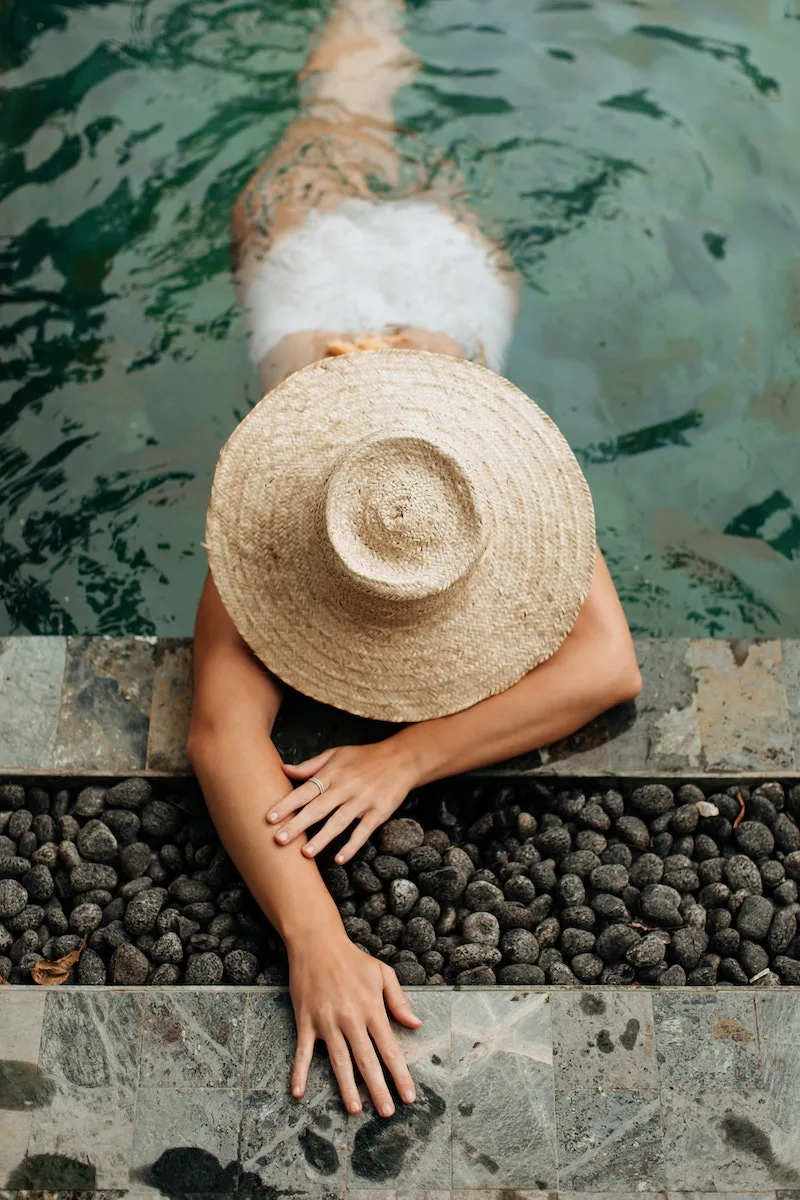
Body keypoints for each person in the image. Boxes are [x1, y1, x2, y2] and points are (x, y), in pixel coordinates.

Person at [188, 0, 641, 1122]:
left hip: (359, 271)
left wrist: (403, 758)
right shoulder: (299, 495)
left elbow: (610, 669)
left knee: (344, 96)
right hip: (411, 280)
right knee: (350, 91)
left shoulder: (478, 473)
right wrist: (315, 938)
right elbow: (217, 731)